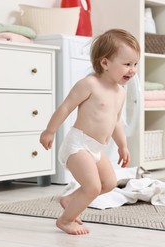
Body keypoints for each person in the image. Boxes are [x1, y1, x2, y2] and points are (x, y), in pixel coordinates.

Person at [40, 28, 140, 235]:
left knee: (109, 183)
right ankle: (66, 220)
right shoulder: (89, 84)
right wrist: (50, 131)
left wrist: (122, 145)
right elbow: (66, 107)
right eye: (127, 64)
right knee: (93, 187)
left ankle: (69, 200)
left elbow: (116, 122)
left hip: (95, 148)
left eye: (135, 64)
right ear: (105, 63)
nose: (132, 70)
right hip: (78, 145)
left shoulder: (120, 92)